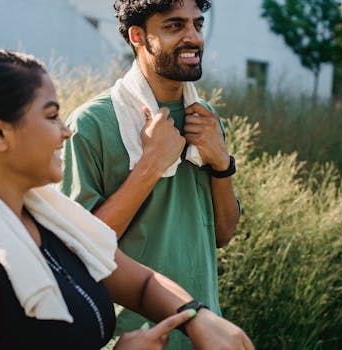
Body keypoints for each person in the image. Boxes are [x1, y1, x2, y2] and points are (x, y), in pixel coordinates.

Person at [0, 50, 252, 350]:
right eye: (51, 116)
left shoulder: (51, 217)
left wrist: (198, 318)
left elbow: (142, 285)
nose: (65, 131)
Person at [58, 0, 242, 348]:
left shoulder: (204, 117)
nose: (193, 37)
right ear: (138, 36)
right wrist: (151, 165)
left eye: (197, 25)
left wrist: (222, 164)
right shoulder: (91, 124)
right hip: (132, 339)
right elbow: (78, 250)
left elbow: (223, 233)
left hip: (204, 333)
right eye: (175, 26)